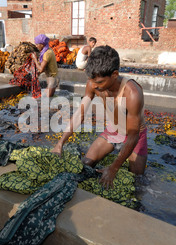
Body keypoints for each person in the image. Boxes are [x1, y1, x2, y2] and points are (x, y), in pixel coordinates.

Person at [52, 45, 148, 189]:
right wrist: (61, 142)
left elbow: (133, 134)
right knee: (86, 165)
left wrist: (114, 168)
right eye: (92, 81)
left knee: (136, 180)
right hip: (114, 130)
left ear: (114, 74)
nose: (94, 86)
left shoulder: (132, 92)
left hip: (135, 134)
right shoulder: (93, 83)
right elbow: (80, 113)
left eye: (99, 82)